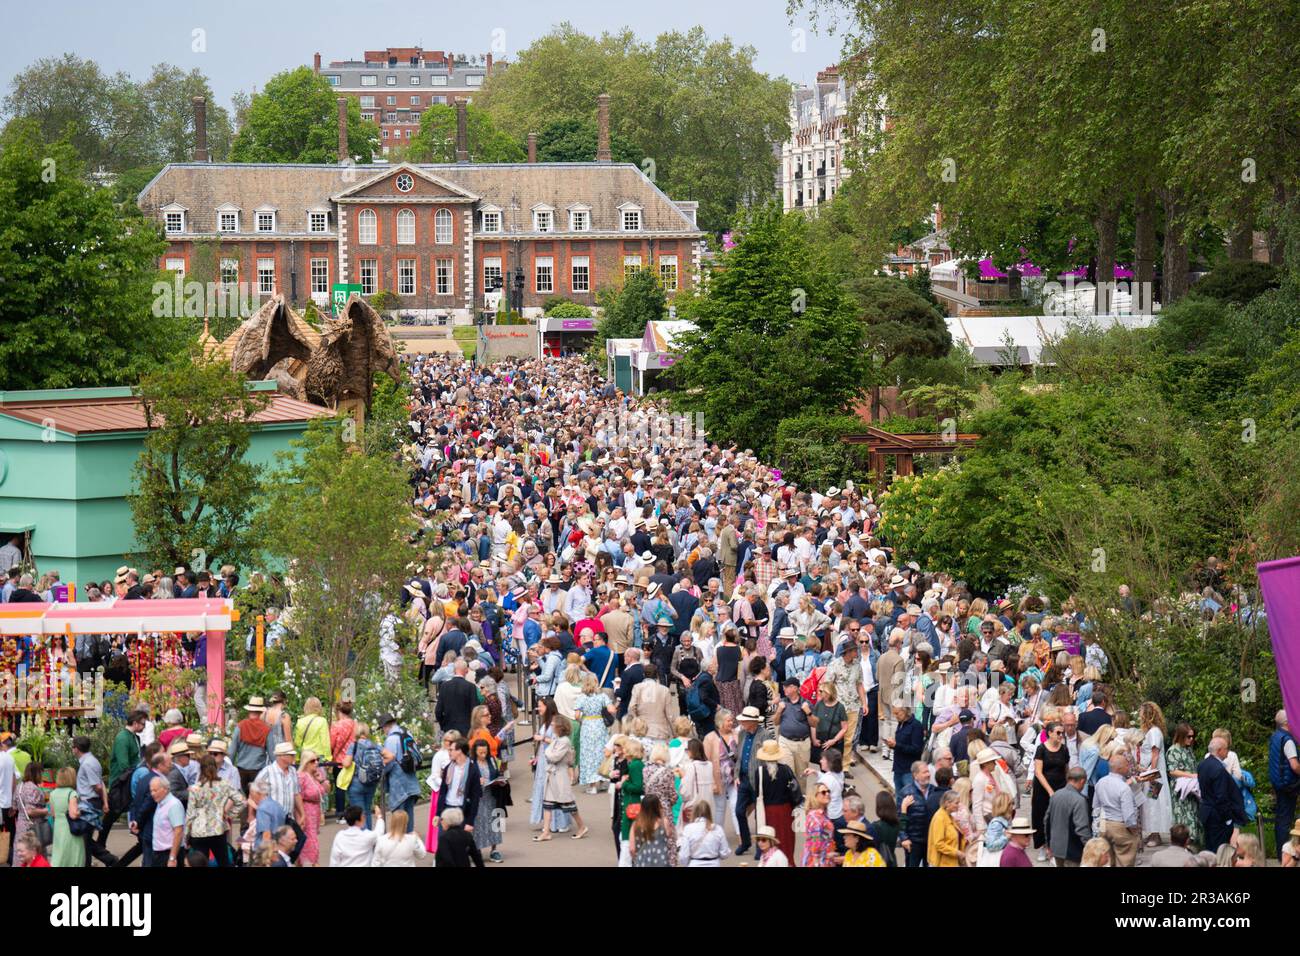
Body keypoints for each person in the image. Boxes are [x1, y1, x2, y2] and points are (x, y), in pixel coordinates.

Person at [536, 716, 589, 842]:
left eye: (554, 724)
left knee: (569, 804)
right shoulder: (558, 739)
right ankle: (546, 832)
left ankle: (582, 826)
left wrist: (547, 752)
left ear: (560, 727)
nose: (552, 725)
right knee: (547, 804)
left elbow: (554, 756)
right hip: (553, 775)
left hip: (560, 777)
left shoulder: (564, 741)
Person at [185, 754, 244, 867]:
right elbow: (240, 801)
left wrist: (186, 836)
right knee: (223, 862)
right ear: (215, 767)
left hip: (199, 831)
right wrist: (229, 815)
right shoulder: (224, 784)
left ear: (201, 769)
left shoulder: (195, 788)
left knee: (200, 864)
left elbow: (190, 814)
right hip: (218, 828)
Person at [1197, 736, 1247, 854]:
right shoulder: (1218, 769)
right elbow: (1221, 797)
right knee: (1219, 851)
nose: (1228, 752)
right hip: (1218, 816)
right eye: (1226, 749)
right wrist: (1228, 818)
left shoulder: (1203, 765)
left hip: (1207, 812)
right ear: (1219, 750)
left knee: (1210, 848)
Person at [754, 739, 799, 861]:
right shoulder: (786, 770)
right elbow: (794, 791)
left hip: (768, 811)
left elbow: (757, 794)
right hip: (785, 811)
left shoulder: (759, 772)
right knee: (786, 841)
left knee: (770, 841)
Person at [1031, 719, 1070, 860]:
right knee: (1040, 816)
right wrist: (1049, 791)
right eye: (1058, 732)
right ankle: (1042, 846)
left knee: (1058, 818)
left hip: (1060, 785)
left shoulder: (1064, 749)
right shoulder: (1041, 749)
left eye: (1062, 733)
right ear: (1050, 733)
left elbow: (1066, 770)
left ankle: (1054, 848)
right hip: (1042, 788)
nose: (1061, 735)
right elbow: (1038, 772)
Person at [1094, 752, 1140, 866]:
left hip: (1104, 824)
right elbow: (1128, 815)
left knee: (1108, 861)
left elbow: (1096, 806)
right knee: (1125, 860)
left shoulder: (1100, 782)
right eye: (1127, 765)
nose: (1129, 767)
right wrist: (1134, 830)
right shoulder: (1124, 787)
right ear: (1120, 768)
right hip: (1120, 826)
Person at [1269, 709, 1300, 863]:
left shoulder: (1275, 737)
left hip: (1278, 783)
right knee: (1285, 821)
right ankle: (1285, 856)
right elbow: (1294, 765)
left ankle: (1281, 853)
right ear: (1288, 723)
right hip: (1289, 785)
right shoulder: (1287, 740)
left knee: (1280, 820)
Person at [1045, 767, 1091, 866]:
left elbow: (1047, 821)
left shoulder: (1056, 795)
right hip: (1072, 851)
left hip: (1056, 848)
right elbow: (1082, 828)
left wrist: (1049, 844)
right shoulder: (1079, 800)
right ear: (1082, 781)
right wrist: (1090, 847)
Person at [296, 749, 330, 866]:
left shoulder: (314, 775)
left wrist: (322, 780)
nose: (316, 762)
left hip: (315, 813)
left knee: (310, 841)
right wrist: (301, 814)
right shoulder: (301, 776)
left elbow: (326, 790)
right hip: (306, 812)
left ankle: (309, 862)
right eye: (312, 760)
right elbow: (297, 795)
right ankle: (312, 863)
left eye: (317, 760)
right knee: (310, 843)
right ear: (306, 762)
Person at [49, 766, 86, 868]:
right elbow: (73, 814)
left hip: (58, 828)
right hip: (69, 828)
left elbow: (53, 814)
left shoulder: (53, 793)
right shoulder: (72, 793)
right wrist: (82, 811)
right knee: (73, 855)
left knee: (59, 854)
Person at [678, 799, 731, 866]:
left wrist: (688, 864)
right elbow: (725, 853)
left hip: (695, 863)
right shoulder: (717, 829)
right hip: (713, 863)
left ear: (694, 812)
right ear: (709, 812)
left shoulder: (688, 829)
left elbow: (684, 855)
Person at [628, 793, 672, 867]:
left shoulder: (635, 825)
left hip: (642, 862)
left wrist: (636, 859)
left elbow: (632, 849)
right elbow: (669, 836)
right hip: (661, 862)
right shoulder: (664, 823)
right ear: (658, 807)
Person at [927, 789, 964, 867]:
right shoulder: (940, 818)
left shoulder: (949, 816)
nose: (959, 805)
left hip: (949, 862)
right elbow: (939, 844)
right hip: (941, 863)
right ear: (947, 803)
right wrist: (957, 852)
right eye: (956, 803)